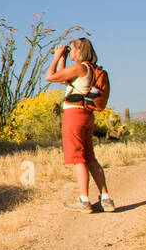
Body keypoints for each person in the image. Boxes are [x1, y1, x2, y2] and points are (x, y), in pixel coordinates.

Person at [46, 37, 114, 212]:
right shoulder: (89, 69)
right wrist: (63, 58)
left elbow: (50, 77)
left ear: (79, 50)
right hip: (86, 115)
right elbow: (63, 80)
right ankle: (106, 199)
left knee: (78, 158)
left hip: (74, 115)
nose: (70, 52)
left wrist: (56, 57)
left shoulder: (79, 67)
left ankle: (84, 200)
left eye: (71, 49)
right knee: (90, 157)